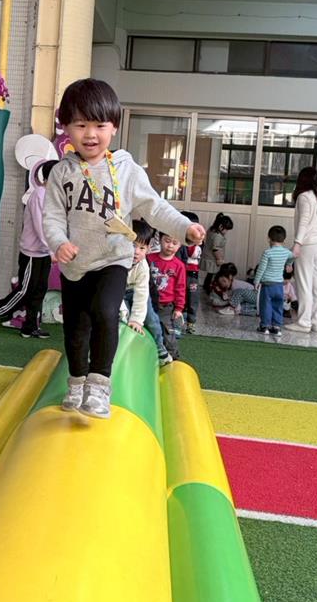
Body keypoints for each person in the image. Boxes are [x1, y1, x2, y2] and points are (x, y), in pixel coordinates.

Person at [42, 79, 204, 418]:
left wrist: (184, 227)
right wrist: (59, 242)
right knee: (76, 330)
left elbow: (154, 207)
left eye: (99, 125)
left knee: (105, 312)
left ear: (113, 127)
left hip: (113, 260)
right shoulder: (61, 173)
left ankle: (100, 385)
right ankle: (77, 381)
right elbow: (52, 217)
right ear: (66, 127)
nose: (90, 134)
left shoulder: (126, 170)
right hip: (75, 266)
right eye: (80, 125)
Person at [0, 159, 58, 338]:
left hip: (44, 252)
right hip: (33, 252)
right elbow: (41, 226)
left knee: (39, 290)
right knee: (26, 290)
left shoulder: (52, 196)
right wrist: (53, 249)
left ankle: (30, 326)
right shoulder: (40, 195)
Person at [287, 167, 317, 333]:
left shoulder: (304, 196)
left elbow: (304, 222)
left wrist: (297, 243)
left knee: (304, 284)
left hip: (309, 244)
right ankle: (316, 321)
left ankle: (303, 322)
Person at [122, 220, 172, 367]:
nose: (136, 252)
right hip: (118, 293)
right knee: (121, 318)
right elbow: (113, 293)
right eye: (132, 245)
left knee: (151, 319)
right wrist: (125, 314)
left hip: (134, 292)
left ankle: (159, 347)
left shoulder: (143, 267)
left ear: (148, 249)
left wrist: (137, 320)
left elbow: (142, 294)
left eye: (142, 248)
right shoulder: (117, 262)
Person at [148, 233, 187, 360]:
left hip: (166, 307)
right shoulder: (149, 258)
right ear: (160, 240)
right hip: (147, 303)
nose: (170, 245)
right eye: (167, 241)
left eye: (175, 243)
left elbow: (180, 288)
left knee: (168, 334)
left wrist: (179, 308)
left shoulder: (179, 265)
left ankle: (173, 359)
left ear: (180, 245)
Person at [253, 226, 295, 335]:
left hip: (267, 285)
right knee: (278, 305)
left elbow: (261, 268)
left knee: (265, 305)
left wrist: (256, 281)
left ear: (269, 239)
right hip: (279, 285)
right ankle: (276, 327)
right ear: (284, 240)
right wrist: (289, 264)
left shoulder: (267, 253)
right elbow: (293, 256)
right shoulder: (286, 252)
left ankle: (265, 326)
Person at [177, 211, 202, 334]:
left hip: (192, 276)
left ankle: (191, 322)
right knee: (179, 297)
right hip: (180, 275)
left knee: (193, 298)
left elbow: (195, 254)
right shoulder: (179, 243)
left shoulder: (198, 244)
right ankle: (177, 321)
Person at [202, 214, 233, 293]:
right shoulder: (218, 236)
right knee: (212, 276)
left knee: (208, 276)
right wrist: (219, 259)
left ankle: (206, 288)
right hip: (213, 259)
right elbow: (215, 249)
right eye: (226, 229)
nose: (226, 232)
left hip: (206, 257)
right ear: (220, 226)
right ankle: (210, 291)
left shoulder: (211, 230)